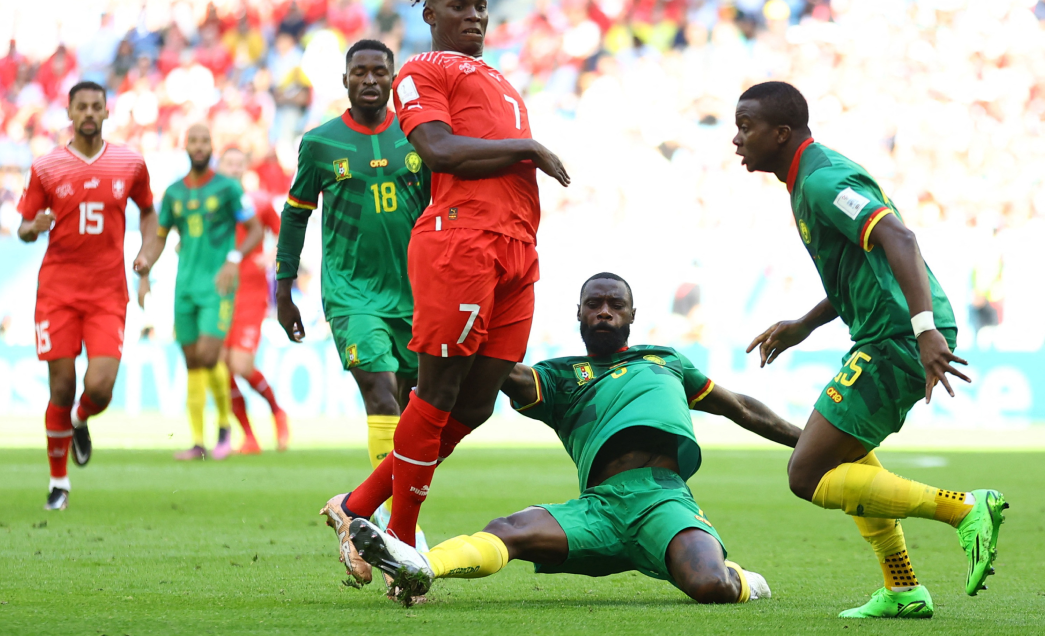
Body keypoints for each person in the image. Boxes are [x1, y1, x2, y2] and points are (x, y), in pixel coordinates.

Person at [321, 0, 570, 574]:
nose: (475, 16)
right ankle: (399, 541)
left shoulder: (500, 80)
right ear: (430, 13)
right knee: (431, 397)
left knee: (476, 405)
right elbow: (436, 149)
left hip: (516, 253)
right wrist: (528, 146)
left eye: (481, 8)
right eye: (460, 7)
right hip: (461, 243)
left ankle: (356, 507)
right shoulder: (420, 71)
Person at [348, 273, 801, 607]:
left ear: (631, 315)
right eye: (594, 303)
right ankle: (420, 566)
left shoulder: (665, 361)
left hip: (664, 501)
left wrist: (810, 442)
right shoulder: (559, 377)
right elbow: (498, 368)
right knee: (509, 530)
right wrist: (457, 323)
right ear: (579, 313)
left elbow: (740, 406)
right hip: (599, 509)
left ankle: (741, 578)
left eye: (615, 304)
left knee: (711, 588)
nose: (604, 310)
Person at [734, 81, 1008, 618]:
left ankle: (966, 510)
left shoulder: (822, 180)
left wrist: (924, 328)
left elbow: (899, 239)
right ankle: (903, 588)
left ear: (781, 133)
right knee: (850, 455)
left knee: (806, 474)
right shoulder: (805, 181)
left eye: (747, 127)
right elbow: (860, 268)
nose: (737, 139)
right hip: (886, 332)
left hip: (896, 337)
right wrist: (805, 325)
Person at [277, 39, 432, 547]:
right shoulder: (321, 143)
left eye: (379, 71)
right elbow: (295, 213)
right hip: (352, 294)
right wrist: (283, 288)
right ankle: (396, 530)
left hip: (415, 294)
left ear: (392, 79)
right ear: (344, 81)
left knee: (413, 412)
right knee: (381, 392)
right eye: (359, 72)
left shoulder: (418, 137)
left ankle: (370, 513)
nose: (369, 80)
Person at [16, 81, 158, 511]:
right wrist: (33, 228)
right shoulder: (47, 167)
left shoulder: (130, 163)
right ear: (70, 112)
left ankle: (80, 420)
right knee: (61, 386)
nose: (90, 113)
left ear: (106, 112)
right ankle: (59, 483)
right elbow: (23, 227)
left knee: (100, 385)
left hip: (107, 291)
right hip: (57, 290)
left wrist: (146, 255)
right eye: (82, 107)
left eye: (97, 106)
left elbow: (148, 211)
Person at [137, 124, 264, 461]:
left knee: (209, 356)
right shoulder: (175, 193)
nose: (198, 146)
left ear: (211, 147)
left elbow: (254, 230)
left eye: (204, 140)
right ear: (185, 145)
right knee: (192, 361)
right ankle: (197, 442)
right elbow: (160, 235)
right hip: (185, 288)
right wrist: (145, 268)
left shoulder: (227, 189)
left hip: (218, 287)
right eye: (192, 140)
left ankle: (223, 428)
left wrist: (234, 260)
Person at [218, 146, 286, 454]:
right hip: (218, 294)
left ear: (245, 168)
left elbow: (284, 234)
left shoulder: (258, 202)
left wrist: (271, 256)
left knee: (241, 364)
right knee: (221, 367)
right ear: (220, 168)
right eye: (227, 164)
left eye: (237, 164)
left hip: (250, 292)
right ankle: (248, 436)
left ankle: (276, 411)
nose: (232, 169)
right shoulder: (211, 205)